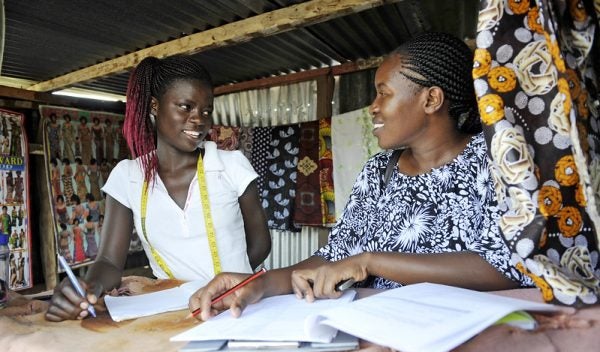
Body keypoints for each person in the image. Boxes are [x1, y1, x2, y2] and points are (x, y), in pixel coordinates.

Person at [189, 32, 534, 321]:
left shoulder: (495, 162)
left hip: (463, 337)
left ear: (431, 99)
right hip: (379, 329)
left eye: (383, 92)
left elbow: (507, 267)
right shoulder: (379, 172)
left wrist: (370, 262)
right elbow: (334, 257)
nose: (372, 106)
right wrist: (257, 284)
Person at [46, 54, 271, 321]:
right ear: (155, 106)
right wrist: (87, 288)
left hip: (238, 306)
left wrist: (228, 282)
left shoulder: (231, 166)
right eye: (185, 106)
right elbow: (108, 261)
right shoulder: (128, 177)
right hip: (173, 312)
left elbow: (261, 243)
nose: (198, 119)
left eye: (206, 110)